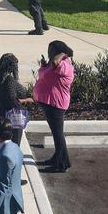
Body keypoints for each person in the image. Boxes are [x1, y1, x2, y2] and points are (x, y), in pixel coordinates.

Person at [34, 40, 74, 173]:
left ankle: (63, 163)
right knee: (56, 133)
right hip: (49, 103)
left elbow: (56, 63)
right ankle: (57, 157)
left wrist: (63, 54)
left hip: (56, 104)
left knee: (58, 134)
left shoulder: (64, 63)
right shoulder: (54, 63)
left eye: (51, 50)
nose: (49, 52)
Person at [0, 53, 32, 146]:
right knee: (14, 145)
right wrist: (25, 104)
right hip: (9, 119)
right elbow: (13, 99)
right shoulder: (9, 80)